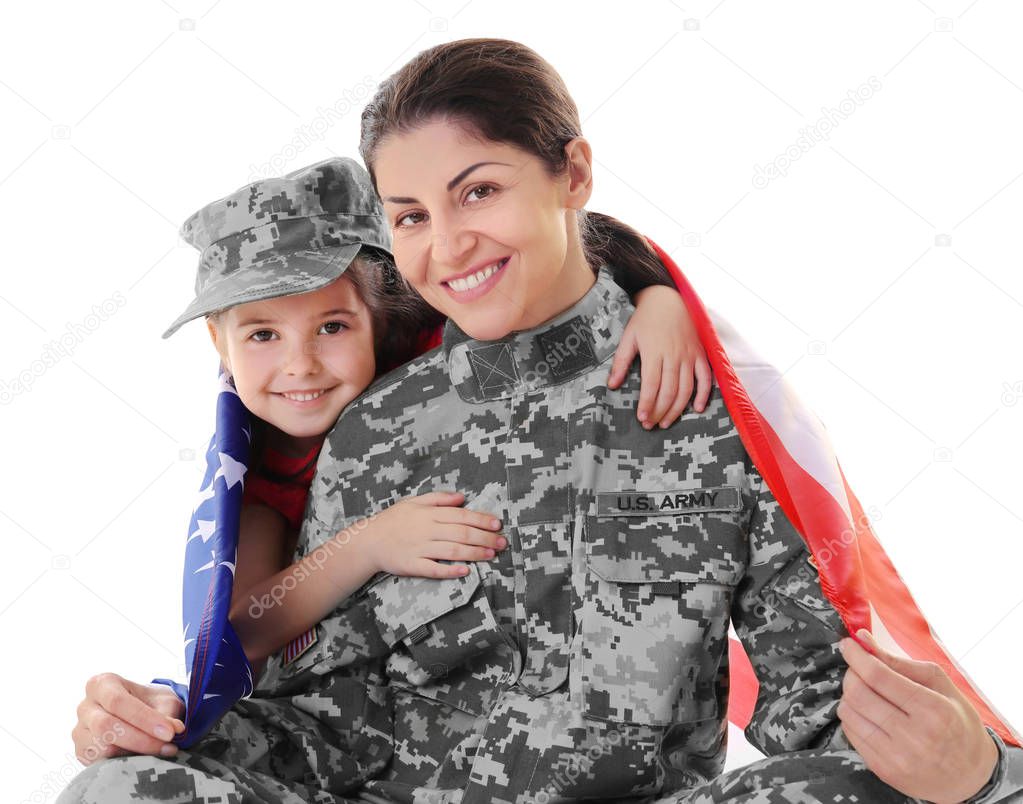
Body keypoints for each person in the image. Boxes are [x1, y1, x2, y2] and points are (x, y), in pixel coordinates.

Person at [60, 39, 1022, 803]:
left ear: (573, 174)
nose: (447, 244)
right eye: (409, 216)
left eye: (478, 190)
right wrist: (164, 722)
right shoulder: (375, 424)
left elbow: (817, 699)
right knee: (120, 787)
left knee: (888, 789)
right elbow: (323, 700)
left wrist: (974, 777)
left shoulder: (707, 407)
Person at [170, 157, 711, 680]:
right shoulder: (257, 465)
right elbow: (244, 631)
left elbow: (570, 242)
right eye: (262, 335)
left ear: (382, 314)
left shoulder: (442, 352)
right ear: (219, 342)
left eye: (332, 327)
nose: (300, 366)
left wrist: (656, 294)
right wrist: (368, 543)